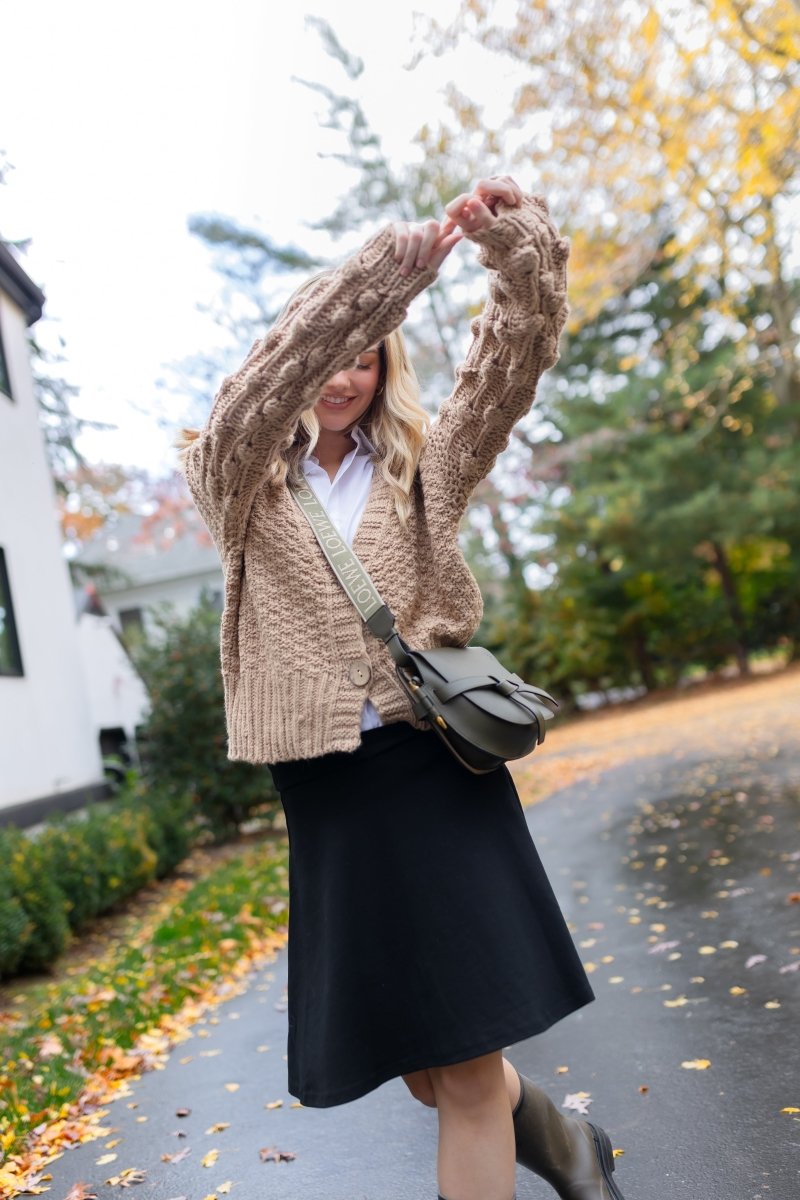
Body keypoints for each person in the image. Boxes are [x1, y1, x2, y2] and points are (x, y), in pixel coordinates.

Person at [179, 175, 626, 1200]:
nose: (342, 374)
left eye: (365, 357)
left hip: (433, 775)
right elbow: (252, 398)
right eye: (329, 352)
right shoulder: (238, 478)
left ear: (387, 368)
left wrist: (516, 243)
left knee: (465, 1066)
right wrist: (382, 282)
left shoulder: (423, 468)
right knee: (430, 1070)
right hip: (330, 797)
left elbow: (511, 362)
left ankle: (552, 1146)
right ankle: (564, 1142)